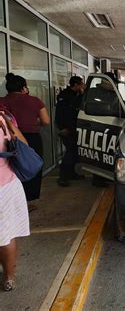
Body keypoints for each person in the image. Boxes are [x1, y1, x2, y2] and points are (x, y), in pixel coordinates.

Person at [0, 73, 50, 210]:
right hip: (31, 138)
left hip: (7, 140)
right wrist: (33, 122)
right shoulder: (34, 101)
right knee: (30, 166)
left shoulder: (2, 101)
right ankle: (27, 201)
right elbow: (46, 121)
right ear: (24, 88)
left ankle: (10, 199)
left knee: (10, 169)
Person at [0, 111, 30, 291]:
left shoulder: (3, 119)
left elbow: (22, 145)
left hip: (3, 188)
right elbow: (24, 143)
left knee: (4, 236)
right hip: (8, 184)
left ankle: (9, 275)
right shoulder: (4, 117)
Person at [55, 76, 85, 187]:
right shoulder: (65, 96)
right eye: (81, 84)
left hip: (74, 128)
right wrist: (62, 127)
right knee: (70, 152)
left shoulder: (76, 95)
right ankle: (62, 177)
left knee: (74, 152)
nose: (82, 86)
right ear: (76, 85)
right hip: (66, 128)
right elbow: (60, 114)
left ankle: (72, 174)